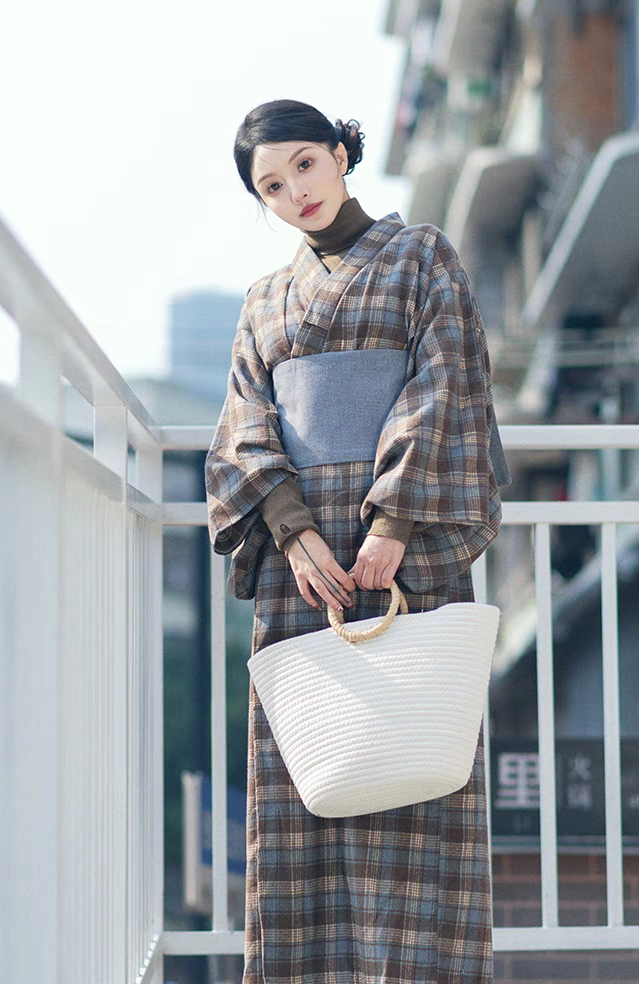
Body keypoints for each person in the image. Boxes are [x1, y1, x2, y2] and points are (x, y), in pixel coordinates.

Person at [204, 98, 512, 984]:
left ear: (340, 154)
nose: (294, 190)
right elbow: (243, 427)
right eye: (271, 183)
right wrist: (295, 536)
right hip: (307, 573)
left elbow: (446, 380)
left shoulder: (421, 256)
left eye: (304, 163)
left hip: (402, 552)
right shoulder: (265, 301)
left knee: (419, 769)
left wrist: (394, 521)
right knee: (313, 774)